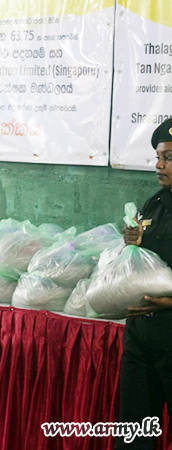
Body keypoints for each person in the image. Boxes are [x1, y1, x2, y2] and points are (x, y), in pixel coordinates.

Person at [117, 117, 172, 449]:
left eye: (168, 157)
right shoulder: (154, 203)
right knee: (133, 434)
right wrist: (134, 240)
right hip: (141, 337)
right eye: (158, 157)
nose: (158, 165)